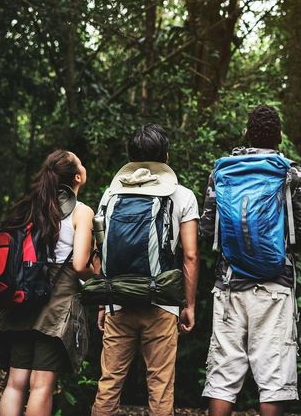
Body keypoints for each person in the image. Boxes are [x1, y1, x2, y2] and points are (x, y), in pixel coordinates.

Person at [200, 105, 301, 416]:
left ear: (246, 133)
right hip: (275, 285)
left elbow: (207, 230)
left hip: (229, 282)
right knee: (273, 374)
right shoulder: (293, 174)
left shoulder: (221, 173)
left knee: (223, 373)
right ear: (279, 137)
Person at [91, 124, 200, 416]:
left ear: (130, 156)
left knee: (109, 383)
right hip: (162, 302)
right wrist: (188, 304)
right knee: (160, 386)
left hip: (118, 301)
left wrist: (103, 300)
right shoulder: (182, 196)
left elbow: (100, 252)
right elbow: (189, 255)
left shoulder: (110, 194)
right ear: (166, 154)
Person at [0, 150, 94, 416]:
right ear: (77, 177)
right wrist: (98, 271)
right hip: (57, 305)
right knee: (41, 385)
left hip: (24, 296)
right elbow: (80, 266)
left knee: (15, 382)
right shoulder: (81, 212)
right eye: (80, 162)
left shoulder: (32, 207)